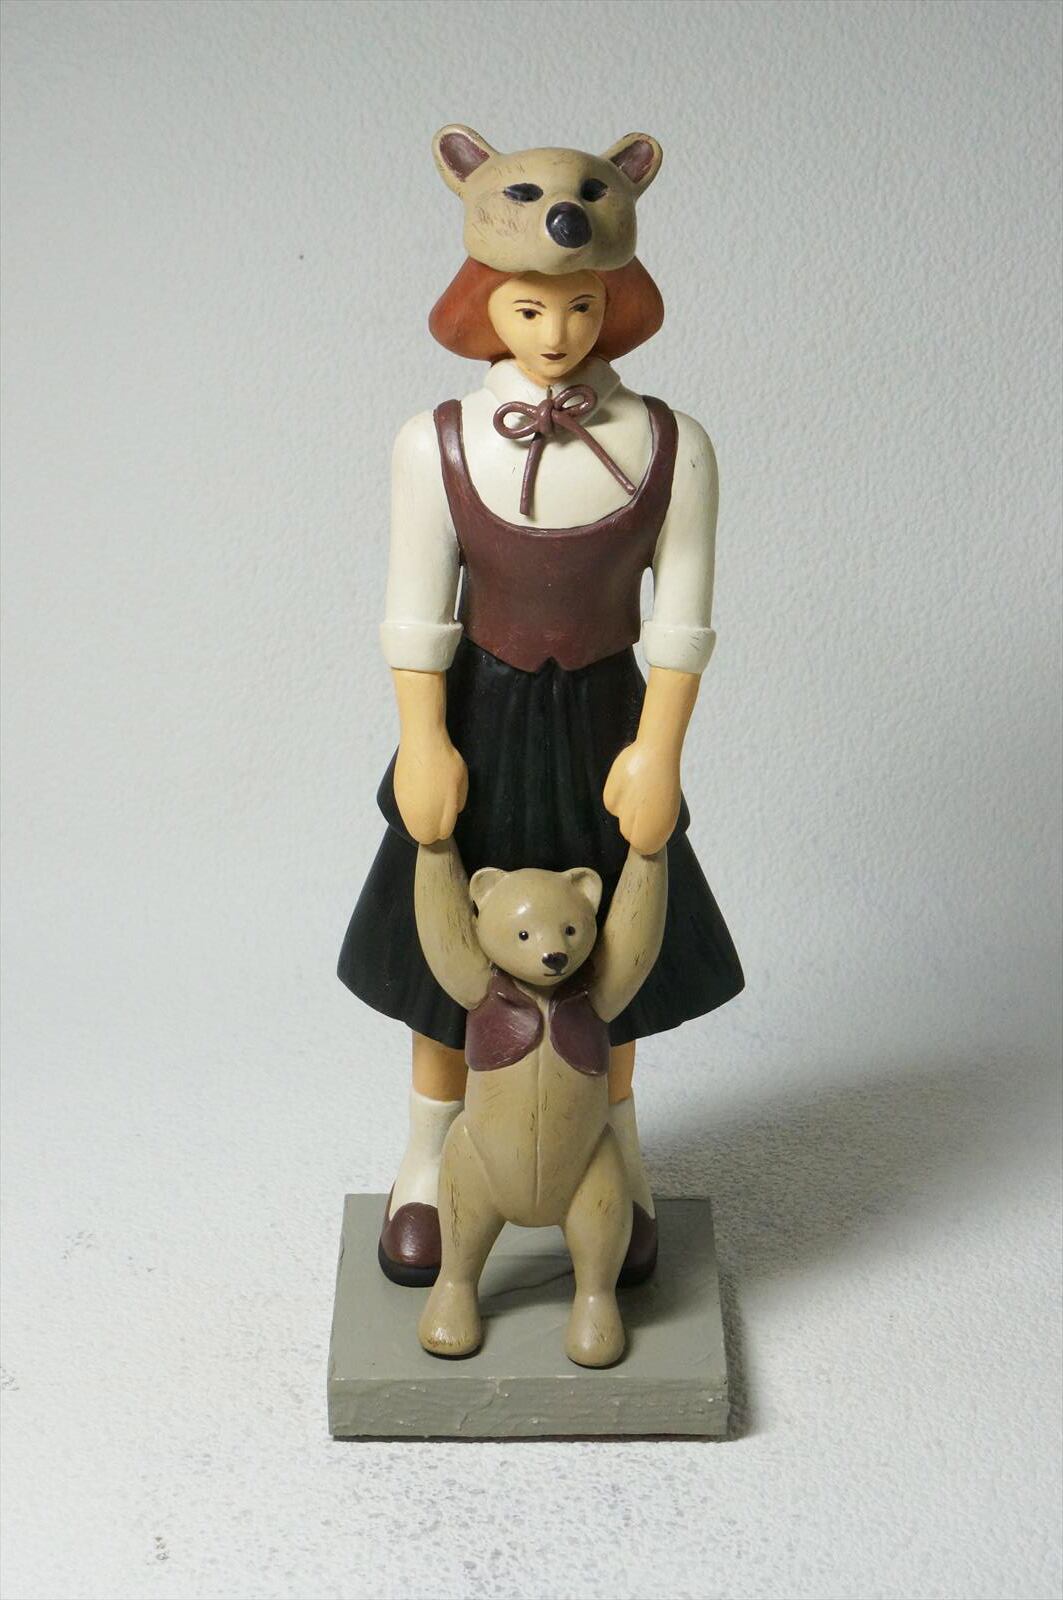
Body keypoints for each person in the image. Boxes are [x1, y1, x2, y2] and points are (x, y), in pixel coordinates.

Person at [338, 255, 744, 1284]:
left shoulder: (674, 445)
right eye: (528, 307)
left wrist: (658, 750)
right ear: (486, 305)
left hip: (608, 726)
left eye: (579, 306)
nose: (555, 333)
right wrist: (423, 740)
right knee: (442, 953)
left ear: (615, 303)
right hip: (478, 719)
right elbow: (416, 612)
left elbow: (682, 623)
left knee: (617, 955)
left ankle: (618, 1151)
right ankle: (429, 1154)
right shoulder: (434, 441)